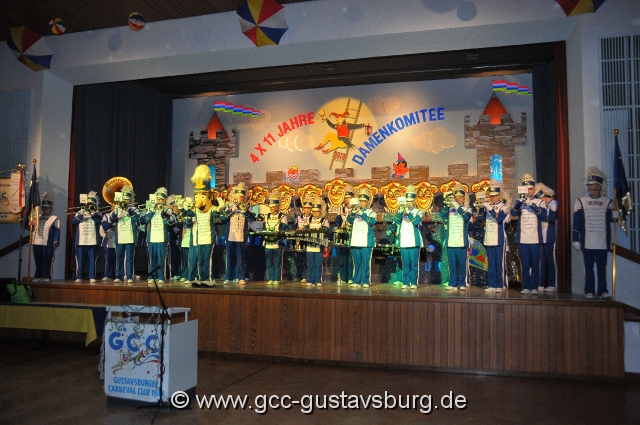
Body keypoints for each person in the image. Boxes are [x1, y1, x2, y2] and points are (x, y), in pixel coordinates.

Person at [572, 167, 616, 299]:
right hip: (587, 240)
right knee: (588, 267)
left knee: (602, 268)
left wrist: (615, 215)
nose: (590, 187)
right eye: (589, 185)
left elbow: (611, 219)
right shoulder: (581, 201)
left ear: (598, 186)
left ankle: (602, 290)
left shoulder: (608, 202)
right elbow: (576, 221)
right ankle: (589, 290)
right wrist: (576, 238)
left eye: (592, 185)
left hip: (602, 241)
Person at [510, 174, 547, 295]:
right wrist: (520, 202)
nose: (528, 191)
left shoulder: (540, 202)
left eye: (530, 189)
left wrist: (532, 205)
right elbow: (513, 213)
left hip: (535, 238)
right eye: (526, 189)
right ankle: (525, 286)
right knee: (524, 264)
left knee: (535, 264)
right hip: (523, 238)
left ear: (534, 189)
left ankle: (534, 286)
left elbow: (543, 215)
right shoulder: (519, 202)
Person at [188, 165, 221, 287]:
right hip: (199, 239)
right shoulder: (195, 211)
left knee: (207, 260)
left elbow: (220, 216)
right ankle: (200, 277)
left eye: (202, 196)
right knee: (199, 260)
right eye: (196, 196)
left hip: (208, 238)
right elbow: (187, 221)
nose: (198, 199)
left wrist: (220, 203)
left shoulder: (212, 209)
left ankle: (208, 278)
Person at [477, 180, 510, 293]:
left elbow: (499, 218)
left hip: (499, 239)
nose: (493, 198)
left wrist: (489, 208)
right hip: (489, 238)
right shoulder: (488, 206)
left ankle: (499, 285)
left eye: (495, 196)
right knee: (491, 263)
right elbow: (480, 218)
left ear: (499, 196)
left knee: (499, 263)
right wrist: (482, 206)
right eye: (491, 196)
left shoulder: (504, 207)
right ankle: (491, 284)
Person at [439, 184, 472, 291]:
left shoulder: (467, 209)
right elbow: (441, 215)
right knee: (452, 264)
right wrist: (447, 205)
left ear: (463, 198)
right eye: (456, 197)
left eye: (459, 197)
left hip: (461, 241)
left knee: (462, 264)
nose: (457, 199)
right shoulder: (450, 209)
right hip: (451, 241)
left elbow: (466, 217)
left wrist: (457, 207)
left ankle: (462, 283)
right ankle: (452, 283)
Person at [140, 187, 174, 285]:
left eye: (161, 199)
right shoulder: (151, 209)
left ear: (164, 200)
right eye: (158, 199)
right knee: (152, 258)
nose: (159, 201)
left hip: (162, 238)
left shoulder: (167, 209)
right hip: (152, 238)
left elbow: (170, 222)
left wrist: (164, 214)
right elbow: (145, 221)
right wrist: (151, 211)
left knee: (161, 258)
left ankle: (161, 276)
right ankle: (151, 276)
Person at [222, 182, 254, 285]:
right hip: (230, 236)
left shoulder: (248, 207)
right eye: (239, 196)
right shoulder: (229, 206)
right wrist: (232, 210)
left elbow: (251, 219)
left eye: (242, 197)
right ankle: (229, 277)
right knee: (230, 258)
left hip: (241, 237)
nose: (240, 199)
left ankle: (240, 277)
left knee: (240, 258)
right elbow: (223, 219)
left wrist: (244, 211)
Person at [392, 184, 423, 289]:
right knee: (405, 263)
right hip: (404, 241)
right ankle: (405, 282)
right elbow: (396, 221)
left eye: (410, 201)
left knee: (414, 264)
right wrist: (401, 211)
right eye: (407, 201)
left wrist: (408, 211)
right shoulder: (402, 211)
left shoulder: (418, 211)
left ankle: (413, 282)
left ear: (414, 201)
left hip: (413, 241)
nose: (408, 203)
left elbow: (415, 222)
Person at [347, 187, 377, 288]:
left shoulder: (371, 212)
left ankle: (365, 281)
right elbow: (349, 220)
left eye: (363, 201)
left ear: (367, 202)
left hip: (366, 241)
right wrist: (353, 211)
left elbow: (371, 221)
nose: (361, 203)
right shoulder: (355, 211)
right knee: (357, 262)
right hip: (355, 240)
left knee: (366, 262)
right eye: (360, 201)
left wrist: (362, 214)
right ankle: (356, 280)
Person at [110, 185, 139, 285]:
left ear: (130, 199)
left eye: (127, 199)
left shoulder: (134, 209)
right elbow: (112, 220)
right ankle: (119, 276)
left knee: (129, 258)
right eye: (124, 199)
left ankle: (129, 276)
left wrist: (130, 212)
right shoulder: (118, 208)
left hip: (130, 237)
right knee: (119, 257)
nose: (126, 201)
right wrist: (116, 212)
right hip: (120, 237)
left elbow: (137, 220)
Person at [71, 191, 103, 284]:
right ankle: (79, 277)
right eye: (88, 204)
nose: (90, 206)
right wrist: (81, 213)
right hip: (81, 241)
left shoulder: (98, 213)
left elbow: (98, 221)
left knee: (92, 260)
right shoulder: (79, 212)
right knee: (80, 260)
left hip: (92, 241)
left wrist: (92, 213)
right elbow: (74, 222)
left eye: (92, 204)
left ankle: (92, 276)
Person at [29, 192, 59, 282]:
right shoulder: (36, 217)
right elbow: (32, 228)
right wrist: (31, 224)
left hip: (47, 242)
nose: (45, 209)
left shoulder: (54, 218)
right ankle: (38, 276)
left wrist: (55, 241)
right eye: (44, 207)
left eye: (47, 207)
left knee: (47, 260)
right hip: (37, 241)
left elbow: (57, 231)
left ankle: (46, 276)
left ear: (51, 208)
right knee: (38, 260)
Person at [262, 190, 288, 285]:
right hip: (268, 242)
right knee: (269, 261)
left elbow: (285, 230)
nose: (271, 208)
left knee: (277, 262)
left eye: (273, 207)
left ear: (277, 207)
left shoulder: (282, 217)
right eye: (270, 207)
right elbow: (264, 228)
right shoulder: (266, 216)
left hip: (278, 243)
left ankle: (277, 279)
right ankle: (270, 278)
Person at [304, 197, 329, 287]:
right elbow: (304, 230)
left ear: (320, 211)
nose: (315, 213)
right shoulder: (308, 220)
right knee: (310, 264)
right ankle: (311, 280)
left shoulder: (324, 221)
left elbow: (327, 232)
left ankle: (318, 280)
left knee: (318, 264)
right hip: (310, 245)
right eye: (313, 211)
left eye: (317, 211)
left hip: (319, 245)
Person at [333, 185, 355, 285]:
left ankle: (350, 277)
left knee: (351, 257)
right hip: (343, 234)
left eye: (348, 198)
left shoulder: (356, 209)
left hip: (353, 233)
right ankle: (343, 277)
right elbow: (338, 221)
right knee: (343, 256)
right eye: (345, 198)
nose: (346, 200)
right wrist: (336, 227)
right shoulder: (341, 208)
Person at [539, 183, 558, 292]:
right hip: (542, 237)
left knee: (551, 261)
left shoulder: (554, 204)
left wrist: (542, 215)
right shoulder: (543, 206)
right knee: (542, 261)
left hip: (550, 237)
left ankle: (552, 284)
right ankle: (541, 283)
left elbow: (552, 218)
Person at [295, 197, 313, 283]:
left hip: (310, 240)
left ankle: (310, 276)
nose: (307, 210)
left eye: (309, 208)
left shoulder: (313, 218)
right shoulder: (299, 218)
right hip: (301, 240)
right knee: (302, 259)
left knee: (310, 259)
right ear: (303, 209)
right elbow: (295, 228)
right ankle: (304, 276)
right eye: (306, 208)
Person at [167, 195, 183, 281]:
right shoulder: (170, 215)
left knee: (179, 255)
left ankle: (179, 272)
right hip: (172, 237)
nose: (175, 208)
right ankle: (173, 273)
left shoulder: (180, 214)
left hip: (179, 237)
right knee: (173, 254)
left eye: (176, 206)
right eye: (173, 206)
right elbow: (169, 225)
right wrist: (174, 228)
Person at [179, 197, 195, 286]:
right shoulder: (184, 213)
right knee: (184, 259)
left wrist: (186, 210)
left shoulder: (193, 213)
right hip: (184, 238)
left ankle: (191, 275)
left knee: (191, 259)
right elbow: (180, 224)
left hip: (192, 238)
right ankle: (184, 275)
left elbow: (189, 224)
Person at [100, 203, 116, 283]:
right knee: (109, 258)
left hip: (118, 239)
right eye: (114, 206)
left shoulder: (122, 215)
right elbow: (104, 225)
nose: (115, 208)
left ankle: (119, 275)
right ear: (111, 207)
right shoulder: (106, 215)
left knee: (119, 258)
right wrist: (112, 225)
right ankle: (107, 275)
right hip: (108, 240)